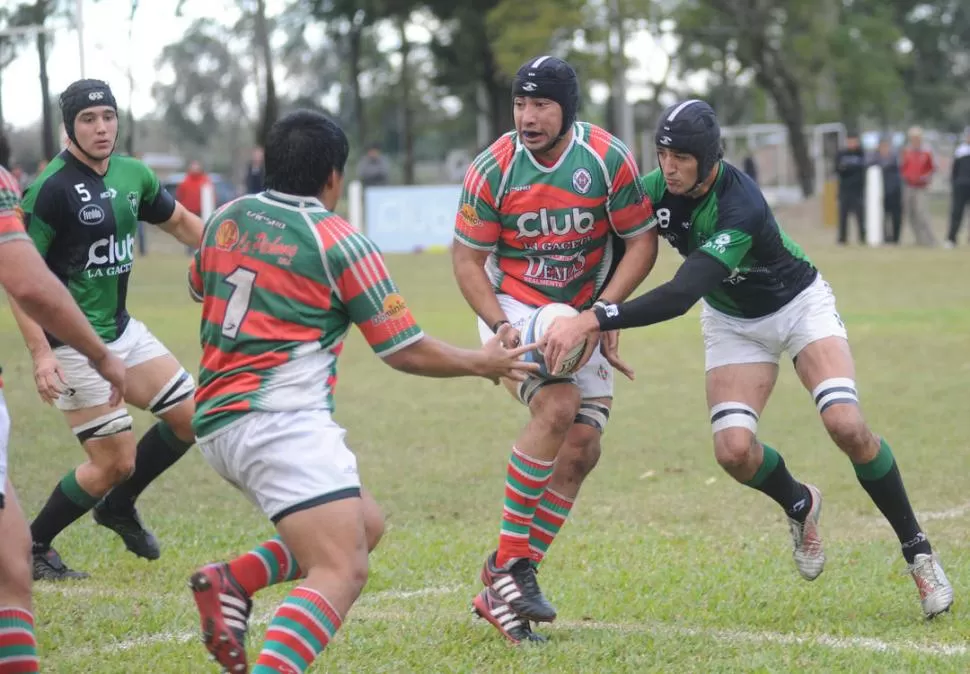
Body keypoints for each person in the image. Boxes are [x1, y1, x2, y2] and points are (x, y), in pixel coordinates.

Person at [543, 99, 953, 620]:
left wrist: (596, 319)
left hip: (798, 305)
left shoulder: (741, 206)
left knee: (846, 424)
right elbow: (612, 242)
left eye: (681, 156)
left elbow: (680, 293)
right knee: (734, 452)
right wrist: (590, 303)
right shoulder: (653, 190)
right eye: (662, 153)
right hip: (734, 322)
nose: (668, 166)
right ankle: (800, 504)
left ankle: (918, 552)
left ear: (709, 158)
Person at [185, 109, 539, 673]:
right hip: (279, 423)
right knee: (342, 570)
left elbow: (199, 284)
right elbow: (403, 348)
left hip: (213, 421)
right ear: (334, 177)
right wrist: (483, 362)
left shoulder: (226, 217)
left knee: (365, 525)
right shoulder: (339, 241)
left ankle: (234, 581)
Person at [451, 55, 658, 643]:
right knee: (558, 405)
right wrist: (498, 326)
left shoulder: (606, 158)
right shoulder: (493, 168)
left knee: (583, 447)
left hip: (580, 314)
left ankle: (502, 584)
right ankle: (513, 568)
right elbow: (466, 260)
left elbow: (641, 243)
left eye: (540, 104)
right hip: (512, 309)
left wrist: (607, 312)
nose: (528, 116)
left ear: (567, 109)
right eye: (520, 103)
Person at [8, 78, 205, 581]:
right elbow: (20, 280)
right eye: (88, 119)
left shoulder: (132, 174)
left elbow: (183, 224)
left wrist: (229, 251)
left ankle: (117, 508)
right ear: (69, 127)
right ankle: (33, 543)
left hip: (121, 331)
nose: (101, 128)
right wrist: (41, 355)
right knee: (115, 461)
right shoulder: (49, 190)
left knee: (192, 418)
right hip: (69, 343)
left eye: (108, 117)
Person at [0, 133, 126, 674]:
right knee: (10, 579)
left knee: (12, 569)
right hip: (79, 347)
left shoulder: (129, 176)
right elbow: (30, 282)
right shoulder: (23, 188)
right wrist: (92, 352)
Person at [900, 126, 938, 246]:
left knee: (922, 213)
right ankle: (919, 239)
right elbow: (903, 167)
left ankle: (930, 240)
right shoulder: (907, 151)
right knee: (911, 213)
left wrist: (925, 177)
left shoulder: (927, 151)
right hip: (909, 186)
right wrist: (907, 176)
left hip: (922, 187)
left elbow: (932, 168)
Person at [835, 131, 866, 245]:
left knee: (860, 216)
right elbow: (838, 170)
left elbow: (862, 170)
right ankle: (842, 239)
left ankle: (863, 238)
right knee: (843, 215)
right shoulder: (841, 154)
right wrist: (849, 169)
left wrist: (847, 168)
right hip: (844, 189)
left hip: (858, 190)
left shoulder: (861, 153)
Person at [874, 136, 903, 244]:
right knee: (882, 216)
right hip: (881, 192)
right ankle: (884, 237)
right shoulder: (875, 159)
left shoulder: (894, 158)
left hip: (895, 191)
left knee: (896, 216)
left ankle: (896, 238)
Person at [945, 127, 970, 247]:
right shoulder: (960, 152)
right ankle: (951, 239)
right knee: (957, 213)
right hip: (961, 187)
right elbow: (954, 171)